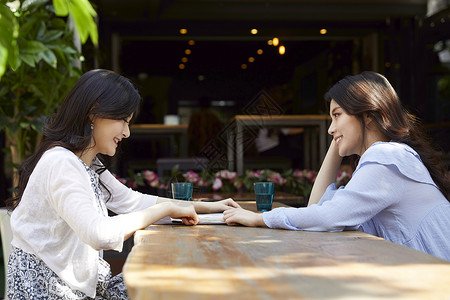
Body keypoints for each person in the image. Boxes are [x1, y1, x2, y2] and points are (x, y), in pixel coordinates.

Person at [6, 69, 240, 299]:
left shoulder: (85, 163)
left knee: (177, 280)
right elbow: (98, 233)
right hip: (49, 291)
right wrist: (166, 209)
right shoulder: (61, 162)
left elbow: (132, 201)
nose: (127, 133)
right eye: (123, 121)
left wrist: (211, 207)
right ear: (93, 113)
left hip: (74, 287)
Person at [223, 71, 450, 261]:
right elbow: (318, 206)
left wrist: (259, 218)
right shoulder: (387, 157)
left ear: (368, 115)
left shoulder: (387, 156)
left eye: (337, 115)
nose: (331, 128)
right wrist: (338, 141)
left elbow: (328, 216)